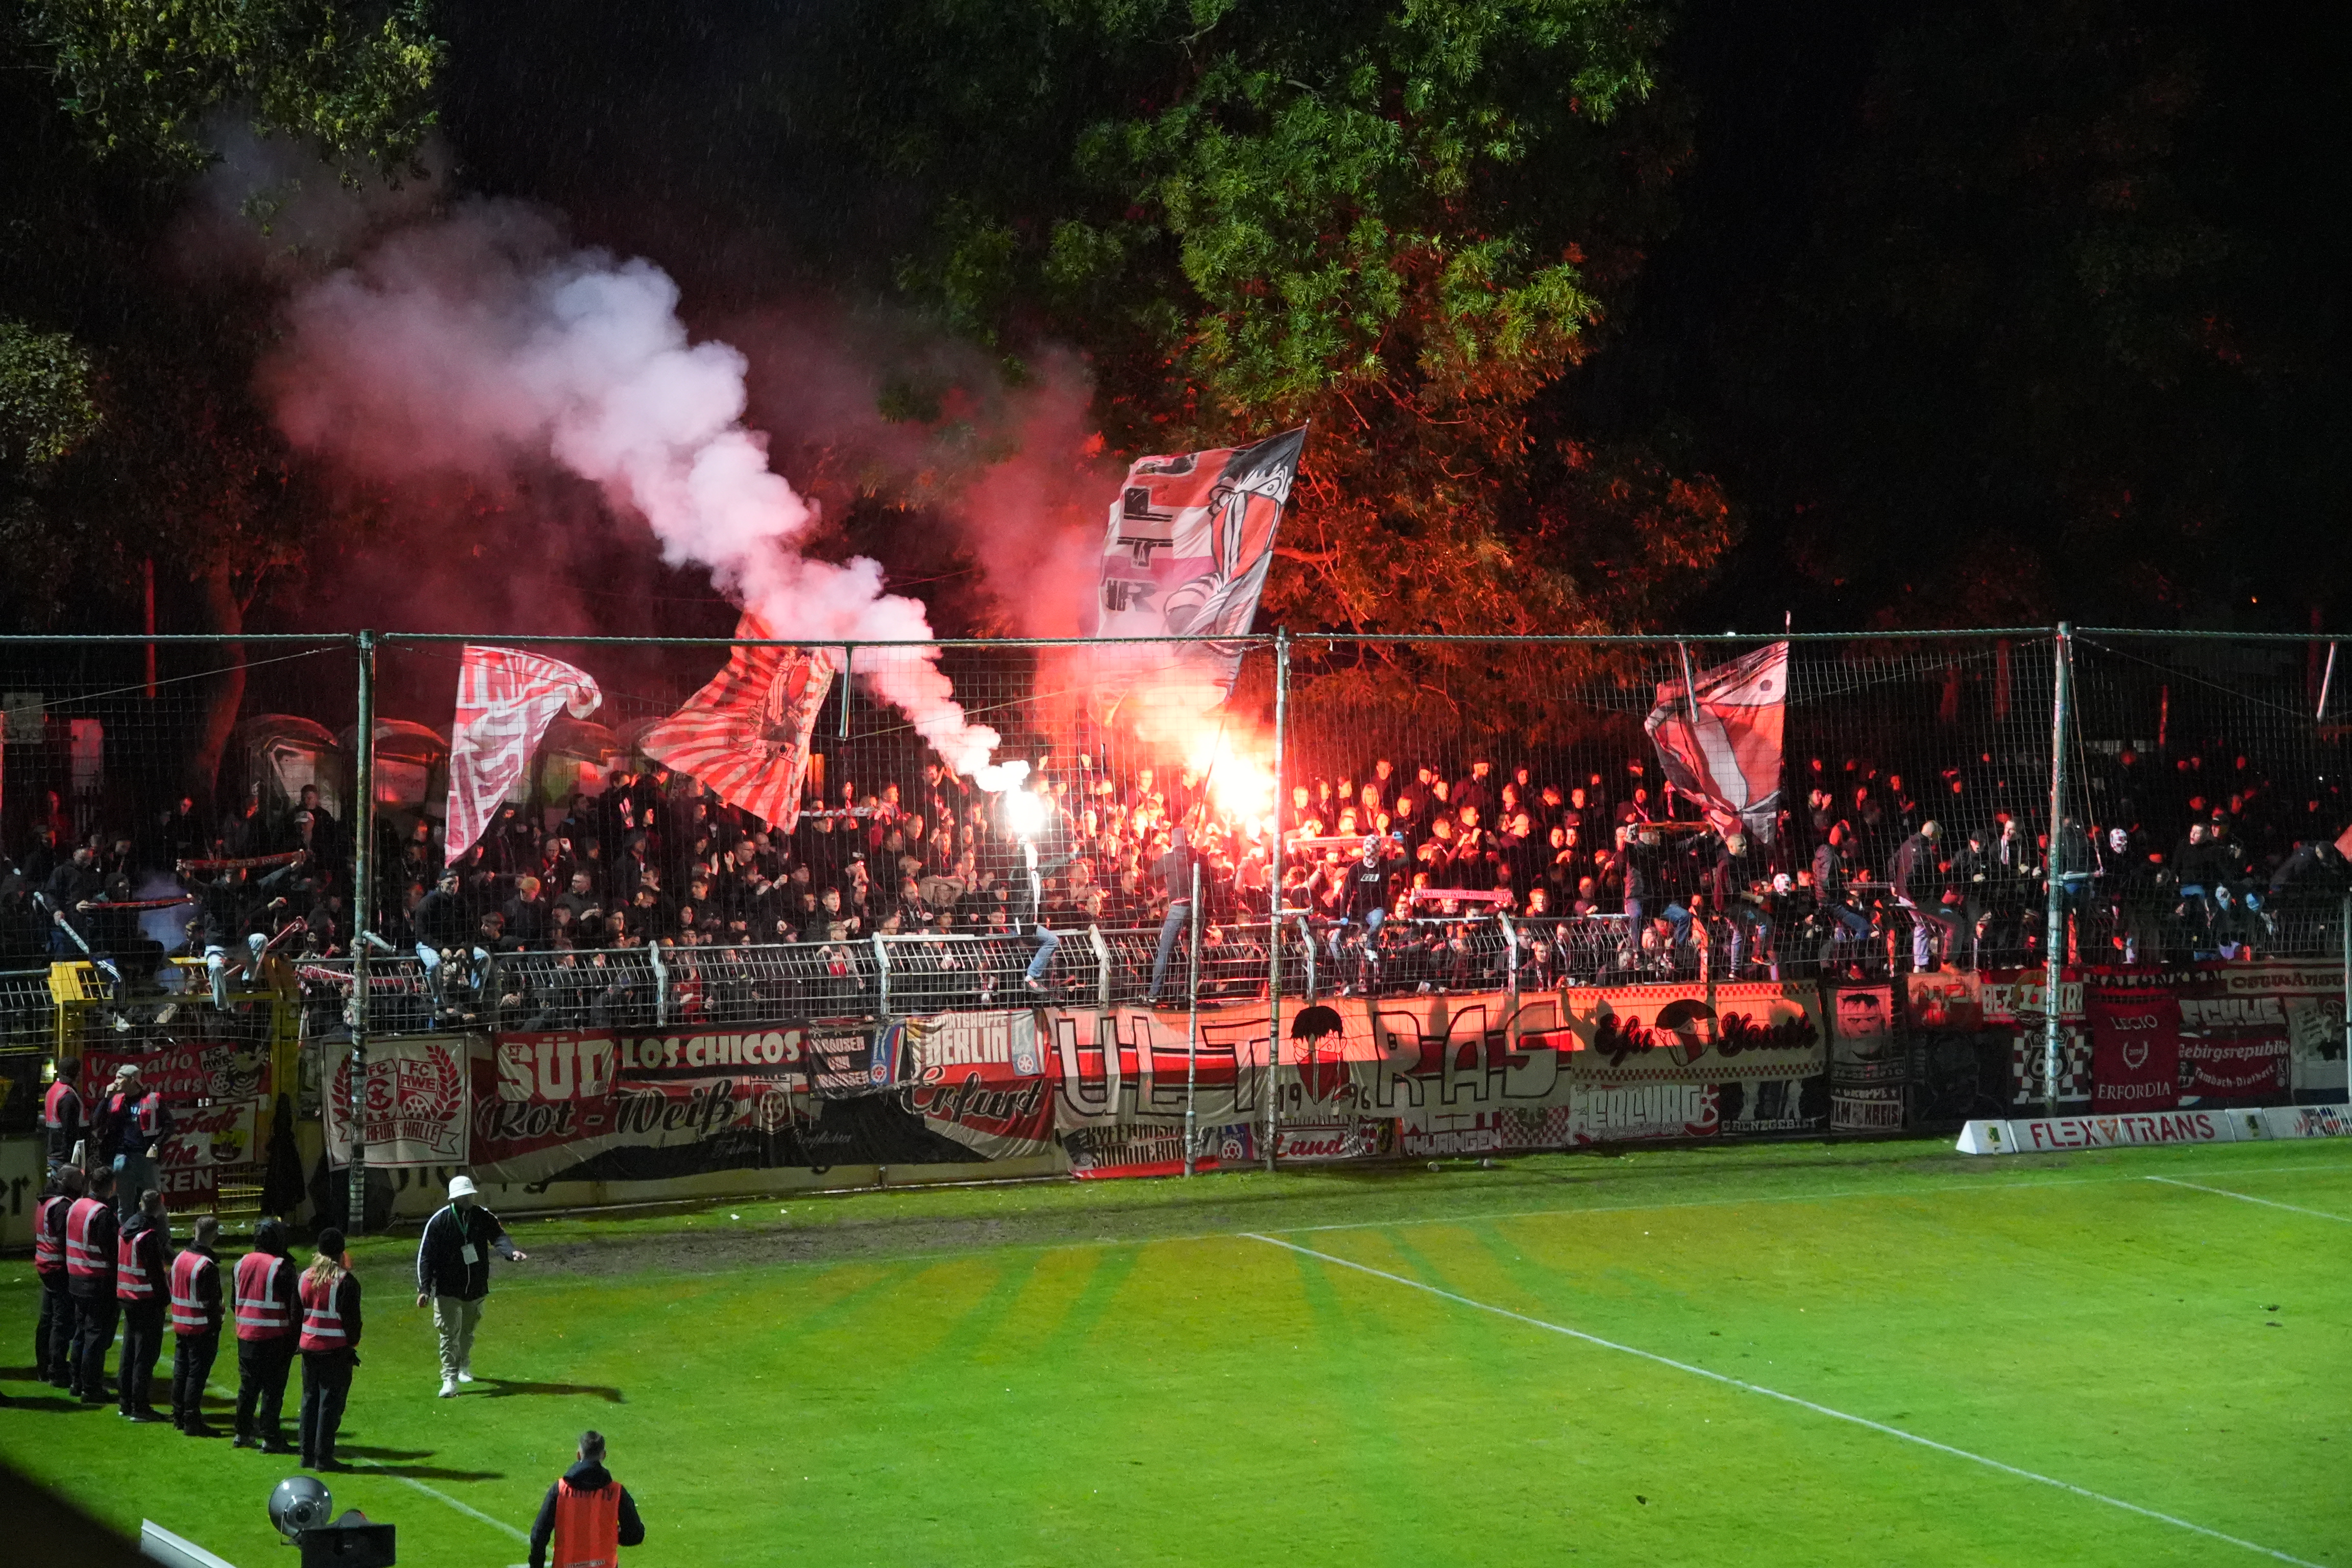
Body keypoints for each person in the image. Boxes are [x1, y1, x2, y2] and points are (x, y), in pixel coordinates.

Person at [416, 1174, 528, 1398]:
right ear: (454, 1199)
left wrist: (511, 1252)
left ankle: (463, 1366)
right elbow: (425, 1257)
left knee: (467, 1332)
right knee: (448, 1334)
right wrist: (424, 1289)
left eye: (469, 1195)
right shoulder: (439, 1222)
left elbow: (499, 1237)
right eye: (463, 1196)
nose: (467, 1199)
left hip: (476, 1287)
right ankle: (449, 1379)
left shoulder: (483, 1216)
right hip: (447, 1289)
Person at [528, 1429, 647, 1568]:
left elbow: (539, 1535)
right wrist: (612, 1534)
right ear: (603, 1456)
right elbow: (635, 1535)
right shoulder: (616, 1492)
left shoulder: (561, 1489)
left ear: (579, 1455)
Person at [232, 1217, 300, 1452]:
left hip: (246, 1336)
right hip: (274, 1338)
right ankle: (271, 1437)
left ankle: (242, 1433)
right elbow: (294, 1308)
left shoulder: (241, 1263)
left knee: (247, 1387)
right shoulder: (281, 1267)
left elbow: (235, 1302)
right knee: (272, 1390)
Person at [298, 1229, 363, 1471]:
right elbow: (352, 1322)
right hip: (334, 1349)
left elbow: (298, 1313)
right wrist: (352, 1344)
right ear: (341, 1252)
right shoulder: (346, 1282)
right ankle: (323, 1457)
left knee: (310, 1400)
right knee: (330, 1403)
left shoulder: (304, 1276)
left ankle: (306, 1453)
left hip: (308, 1347)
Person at [64, 1166, 119, 1404]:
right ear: (110, 1187)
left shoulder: (76, 1206)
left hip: (76, 1280)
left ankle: (77, 1381)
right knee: (95, 1337)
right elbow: (113, 1252)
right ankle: (91, 1387)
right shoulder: (102, 1214)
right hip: (97, 1282)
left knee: (81, 1332)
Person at [115, 1188, 170, 1421]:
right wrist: (165, 1300)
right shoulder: (147, 1235)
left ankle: (126, 1402)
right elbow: (156, 1274)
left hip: (127, 1296)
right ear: (160, 1205)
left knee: (129, 1352)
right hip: (146, 1300)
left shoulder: (127, 1228)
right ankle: (140, 1406)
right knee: (145, 1355)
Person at [169, 1214, 227, 1435]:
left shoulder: (180, 1257)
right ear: (214, 1236)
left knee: (181, 1370)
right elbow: (210, 1303)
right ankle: (192, 1419)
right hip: (200, 1327)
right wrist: (216, 1326)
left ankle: (179, 1415)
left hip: (181, 1323)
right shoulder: (206, 1265)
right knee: (196, 1374)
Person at [33, 1166, 82, 1389]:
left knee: (47, 1319)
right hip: (58, 1268)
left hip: (46, 1266)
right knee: (61, 1322)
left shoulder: (46, 1201)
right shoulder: (63, 1206)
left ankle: (44, 1367)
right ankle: (57, 1371)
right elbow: (66, 1238)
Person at [41, 1057, 82, 1182]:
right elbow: (70, 1129)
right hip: (64, 1155)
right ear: (78, 1073)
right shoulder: (68, 1096)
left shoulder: (54, 1090)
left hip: (54, 1150)